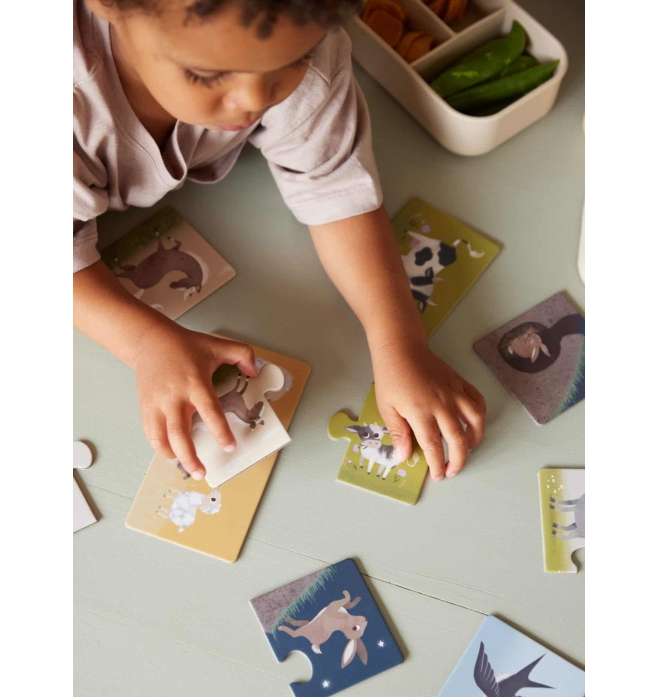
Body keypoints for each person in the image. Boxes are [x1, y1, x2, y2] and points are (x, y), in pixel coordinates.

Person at [73, 0, 486, 482]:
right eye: (208, 74)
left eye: (294, 61)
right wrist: (144, 343)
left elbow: (336, 190)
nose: (253, 100)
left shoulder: (299, 27)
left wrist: (401, 343)